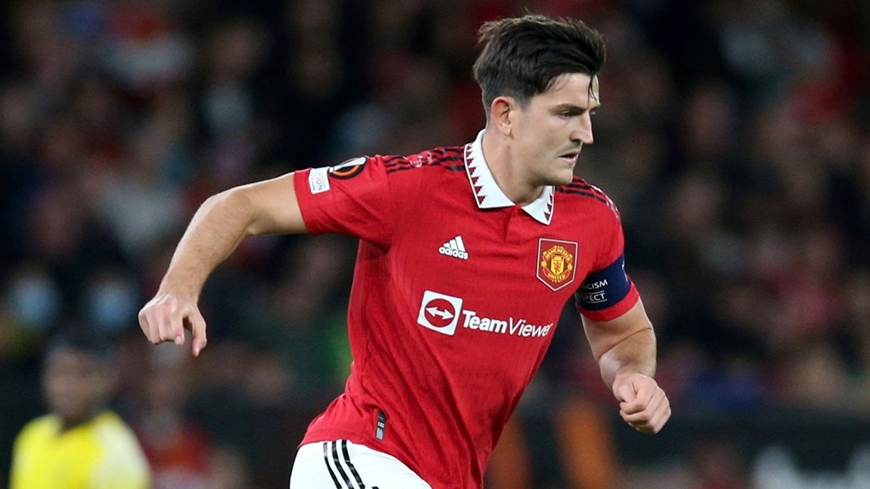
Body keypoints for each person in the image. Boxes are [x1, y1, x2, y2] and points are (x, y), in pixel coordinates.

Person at [138, 14, 671, 489]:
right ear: (506, 114)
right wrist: (178, 288)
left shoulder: (592, 221)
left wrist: (632, 376)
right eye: (567, 113)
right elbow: (242, 204)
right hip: (358, 456)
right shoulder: (408, 188)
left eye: (589, 113)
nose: (586, 134)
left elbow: (622, 333)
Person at [9, 328, 151, 489]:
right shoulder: (32, 434)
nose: (68, 386)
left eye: (83, 374)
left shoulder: (115, 455)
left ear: (107, 379)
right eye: (60, 372)